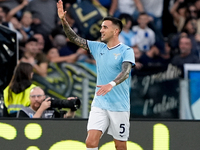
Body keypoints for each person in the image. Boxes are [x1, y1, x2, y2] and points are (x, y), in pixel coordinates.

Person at [57, 0, 135, 150]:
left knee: (120, 146)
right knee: (90, 143)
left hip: (119, 106)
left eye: (105, 27)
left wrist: (111, 84)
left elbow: (125, 72)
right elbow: (74, 38)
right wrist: (63, 20)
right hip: (99, 103)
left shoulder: (126, 50)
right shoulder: (97, 46)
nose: (101, 30)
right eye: (101, 27)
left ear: (116, 31)